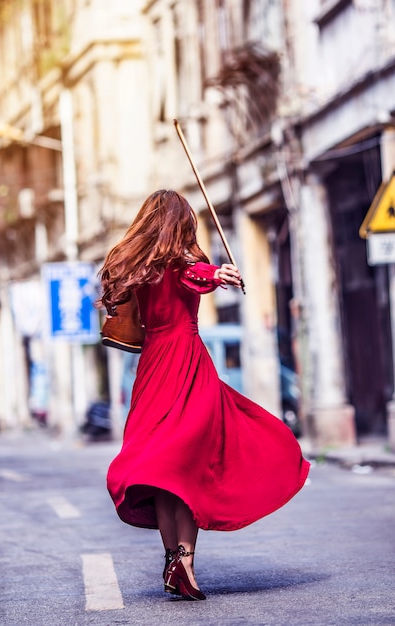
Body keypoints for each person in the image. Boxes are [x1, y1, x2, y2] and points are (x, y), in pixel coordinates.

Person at [99, 189, 310, 601]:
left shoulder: (139, 268)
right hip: (186, 365)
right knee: (185, 463)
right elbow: (197, 275)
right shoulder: (180, 264)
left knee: (163, 468)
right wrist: (218, 274)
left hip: (152, 368)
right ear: (183, 224)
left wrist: (213, 274)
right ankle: (185, 560)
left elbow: (193, 277)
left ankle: (175, 560)